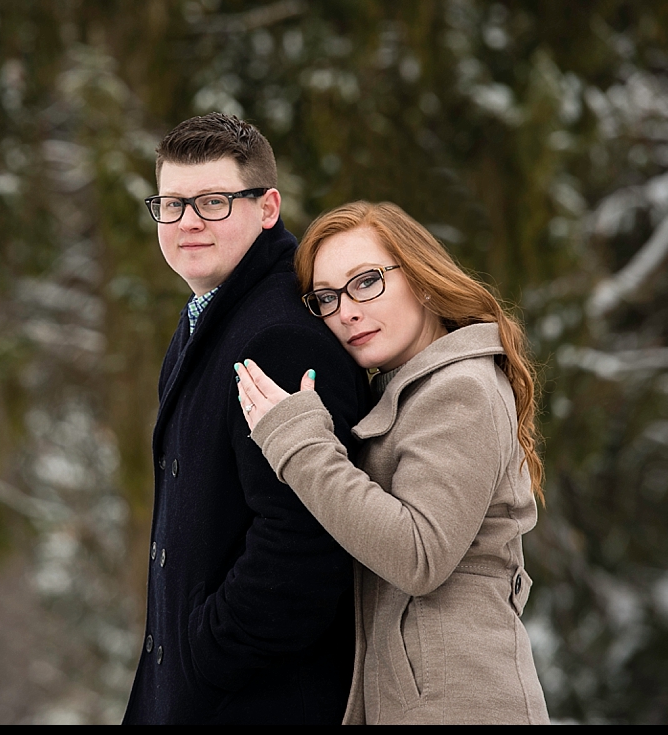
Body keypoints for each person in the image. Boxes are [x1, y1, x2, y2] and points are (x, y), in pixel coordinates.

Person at [234, 200, 550, 725]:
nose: (346, 312)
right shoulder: (413, 391)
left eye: (366, 282)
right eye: (327, 298)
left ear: (422, 280)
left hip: (464, 705)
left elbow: (418, 556)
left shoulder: (459, 390)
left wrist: (299, 444)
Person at [122, 114, 372, 724]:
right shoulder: (208, 319)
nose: (188, 222)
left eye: (212, 201)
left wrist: (208, 651)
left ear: (267, 207)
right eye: (172, 204)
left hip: (255, 699)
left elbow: (306, 541)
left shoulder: (283, 334)